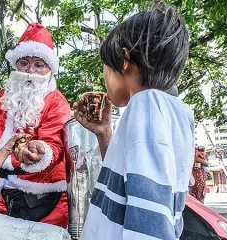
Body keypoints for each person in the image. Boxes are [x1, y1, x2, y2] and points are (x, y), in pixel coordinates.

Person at [74, 4, 195, 239]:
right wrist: (104, 134)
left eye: (106, 69)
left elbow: (150, 219)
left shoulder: (146, 105)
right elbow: (135, 185)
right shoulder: (173, 112)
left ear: (124, 59)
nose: (105, 79)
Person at [0, 23, 71, 228]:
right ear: (15, 65)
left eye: (38, 64)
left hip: (46, 196)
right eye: (23, 63)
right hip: (6, 191)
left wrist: (41, 152)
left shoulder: (57, 102)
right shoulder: (4, 97)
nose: (30, 70)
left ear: (50, 69)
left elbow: (55, 146)